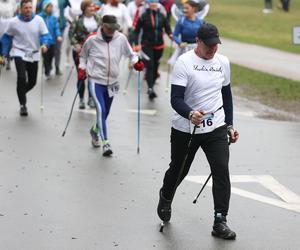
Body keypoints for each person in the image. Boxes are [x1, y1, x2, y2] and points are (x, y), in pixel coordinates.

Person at [157, 23, 239, 240]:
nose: (213, 49)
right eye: (209, 45)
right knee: (179, 169)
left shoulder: (223, 62)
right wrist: (190, 113)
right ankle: (166, 196)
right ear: (198, 42)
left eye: (216, 45)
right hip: (186, 127)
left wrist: (229, 125)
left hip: (216, 126)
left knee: (221, 169)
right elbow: (175, 99)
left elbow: (227, 95)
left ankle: (220, 220)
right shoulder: (185, 62)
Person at [78, 15, 144, 156]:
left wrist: (136, 62)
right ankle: (105, 143)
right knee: (101, 111)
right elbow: (83, 56)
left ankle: (95, 130)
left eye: (114, 28)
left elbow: (131, 54)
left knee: (106, 112)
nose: (112, 31)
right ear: (103, 25)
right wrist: (82, 69)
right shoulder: (92, 39)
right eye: (109, 28)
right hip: (96, 81)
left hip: (112, 82)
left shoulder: (120, 38)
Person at [1, 0, 49, 116]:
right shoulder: (14, 22)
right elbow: (6, 38)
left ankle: (21, 92)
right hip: (19, 52)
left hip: (33, 53)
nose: (28, 10)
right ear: (21, 9)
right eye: (25, 8)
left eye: (29, 8)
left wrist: (44, 44)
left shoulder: (39, 20)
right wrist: (3, 53)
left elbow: (45, 35)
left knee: (32, 82)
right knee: (21, 78)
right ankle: (23, 104)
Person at [133, 0, 172, 100]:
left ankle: (152, 84)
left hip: (159, 45)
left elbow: (167, 28)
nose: (153, 4)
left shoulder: (162, 15)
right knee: (149, 65)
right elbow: (136, 31)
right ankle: (150, 88)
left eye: (155, 2)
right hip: (147, 45)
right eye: (151, 2)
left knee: (155, 66)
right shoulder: (143, 16)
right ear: (148, 4)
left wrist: (171, 35)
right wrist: (137, 44)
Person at [69, 0, 101, 109]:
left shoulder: (98, 19)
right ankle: (81, 99)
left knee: (92, 76)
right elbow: (71, 34)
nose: (92, 8)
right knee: (81, 76)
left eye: (93, 6)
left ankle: (91, 98)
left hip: (94, 52)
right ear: (84, 8)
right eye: (90, 6)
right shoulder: (78, 20)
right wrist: (76, 45)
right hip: (80, 52)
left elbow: (103, 32)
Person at [168, 0, 203, 67]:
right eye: (184, 8)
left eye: (187, 8)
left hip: (197, 50)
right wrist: (180, 43)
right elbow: (175, 35)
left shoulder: (200, 22)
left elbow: (203, 36)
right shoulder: (181, 21)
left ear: (193, 9)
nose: (184, 10)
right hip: (184, 49)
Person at [39, 0, 63, 79]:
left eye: (51, 7)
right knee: (45, 56)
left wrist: (58, 35)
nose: (50, 8)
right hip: (43, 41)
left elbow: (56, 27)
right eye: (49, 7)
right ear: (45, 7)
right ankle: (47, 71)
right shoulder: (40, 17)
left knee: (52, 55)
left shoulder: (53, 18)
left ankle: (49, 66)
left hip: (52, 40)